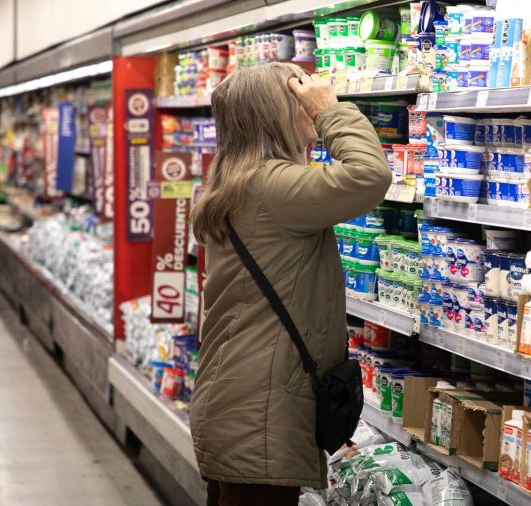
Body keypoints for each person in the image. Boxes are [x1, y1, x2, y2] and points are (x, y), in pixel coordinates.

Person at [189, 63, 392, 505]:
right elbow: (369, 176)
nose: (309, 102)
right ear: (277, 113)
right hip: (258, 410)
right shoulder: (273, 186)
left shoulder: (238, 181)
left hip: (238, 396)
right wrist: (329, 111)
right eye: (299, 97)